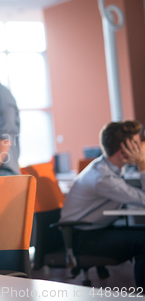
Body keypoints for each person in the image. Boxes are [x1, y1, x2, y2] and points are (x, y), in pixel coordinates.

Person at [60, 120, 145, 288]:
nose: (141, 148)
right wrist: (142, 164)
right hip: (82, 238)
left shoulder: (107, 168)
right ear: (123, 151)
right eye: (136, 144)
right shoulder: (103, 178)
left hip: (93, 231)